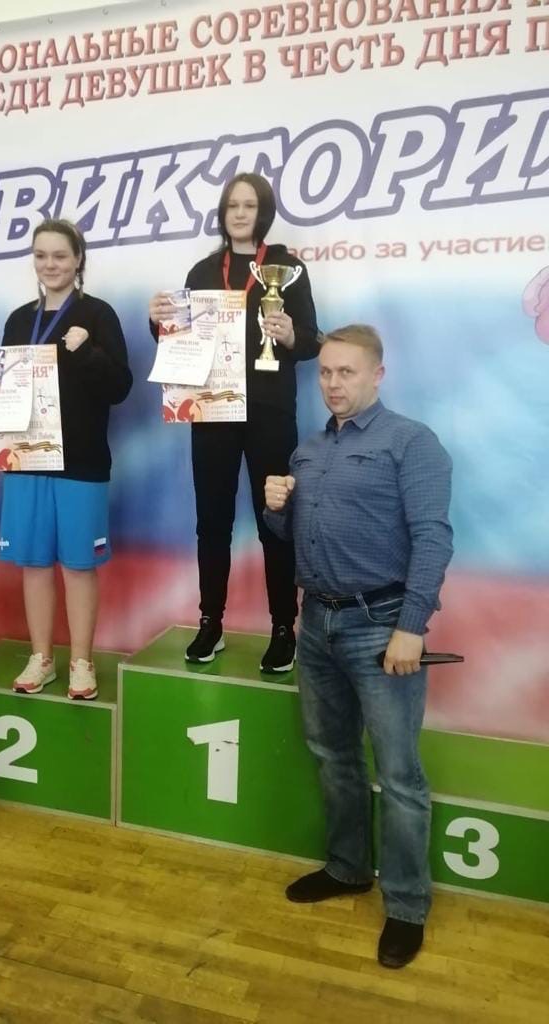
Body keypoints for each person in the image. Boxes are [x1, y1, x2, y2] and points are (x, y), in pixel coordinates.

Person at [264, 324, 453, 968]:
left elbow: (433, 538)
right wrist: (276, 509)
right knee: (333, 755)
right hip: (317, 620)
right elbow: (289, 535)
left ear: (377, 374)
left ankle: (407, 906)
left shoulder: (411, 442)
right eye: (325, 372)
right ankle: (347, 868)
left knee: (398, 774)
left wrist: (412, 625)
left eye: (346, 372)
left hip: (383, 624)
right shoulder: (309, 450)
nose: (333, 383)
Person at [149, 172, 320, 671]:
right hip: (212, 411)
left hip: (270, 411)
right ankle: (211, 621)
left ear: (263, 212)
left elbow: (311, 340)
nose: (240, 213)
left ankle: (284, 626)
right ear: (223, 214)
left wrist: (289, 335)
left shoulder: (288, 269)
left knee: (275, 521)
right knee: (212, 522)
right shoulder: (203, 270)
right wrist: (158, 321)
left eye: (249, 205)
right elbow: (179, 340)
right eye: (232, 205)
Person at [0, 219, 132, 700]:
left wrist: (87, 352)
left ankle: (81, 660)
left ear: (78, 259)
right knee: (35, 563)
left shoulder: (98, 314)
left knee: (78, 565)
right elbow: (3, 390)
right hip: (26, 458)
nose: (50, 264)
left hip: (81, 462)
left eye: (60, 255)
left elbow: (120, 387)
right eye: (41, 255)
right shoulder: (20, 319)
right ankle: (41, 657)